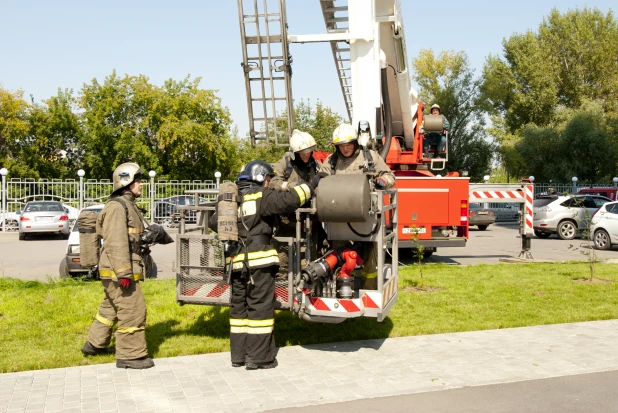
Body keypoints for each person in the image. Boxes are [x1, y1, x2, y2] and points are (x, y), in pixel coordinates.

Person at [210, 160, 316, 370]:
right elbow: (290, 199)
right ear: (261, 178)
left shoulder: (231, 200)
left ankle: (238, 357)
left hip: (236, 263)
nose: (269, 183)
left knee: (239, 310)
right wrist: (312, 185)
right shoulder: (262, 196)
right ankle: (259, 358)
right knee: (260, 309)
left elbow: (214, 223)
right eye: (268, 179)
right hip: (258, 264)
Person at [82, 162, 154, 370]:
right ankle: (130, 355)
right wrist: (124, 273)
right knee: (133, 309)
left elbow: (131, 237)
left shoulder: (127, 204)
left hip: (117, 269)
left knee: (110, 308)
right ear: (126, 182)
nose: (141, 184)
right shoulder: (117, 206)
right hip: (118, 270)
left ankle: (93, 344)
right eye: (137, 181)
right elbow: (115, 241)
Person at [318, 123, 396, 289]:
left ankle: (370, 292)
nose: (345, 149)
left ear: (355, 143)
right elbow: (321, 179)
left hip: (367, 219)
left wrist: (384, 181)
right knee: (339, 257)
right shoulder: (331, 161)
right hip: (339, 220)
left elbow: (390, 176)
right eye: (341, 146)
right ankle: (341, 290)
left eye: (348, 145)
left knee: (370, 259)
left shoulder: (370, 157)